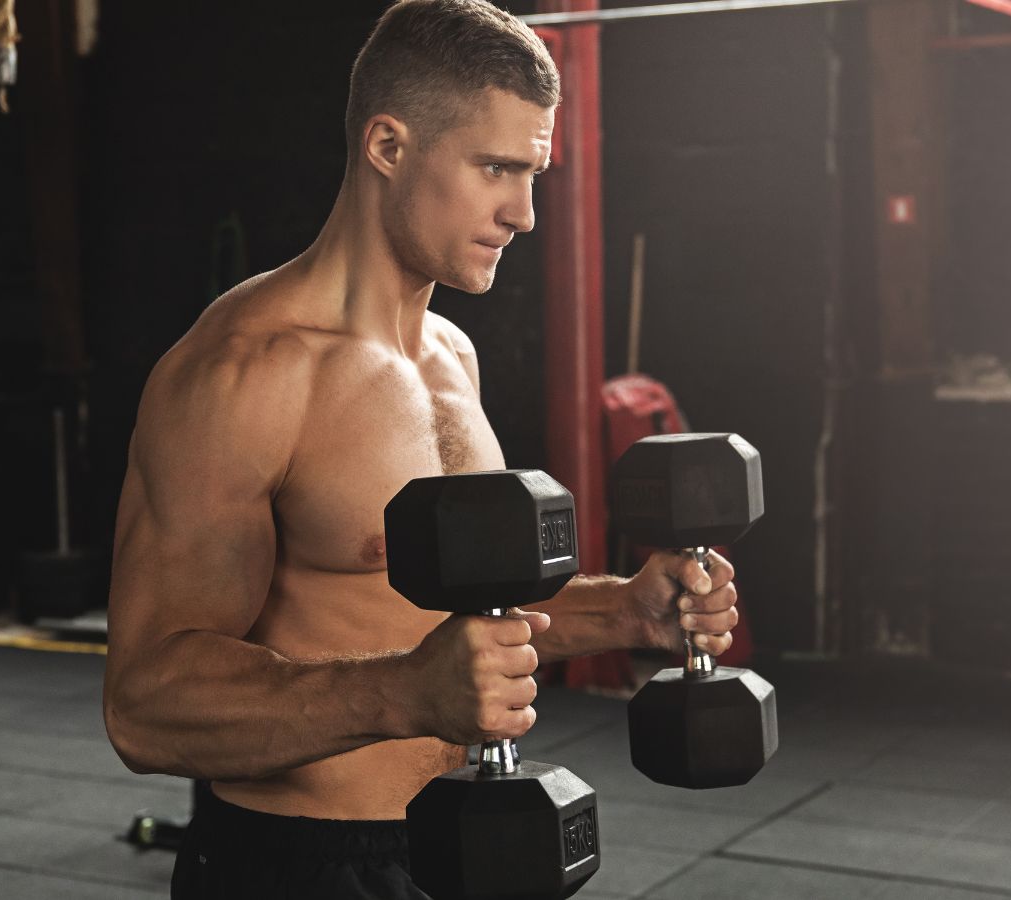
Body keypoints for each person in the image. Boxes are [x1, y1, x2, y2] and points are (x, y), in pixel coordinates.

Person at [103, 1, 741, 896]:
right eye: (495, 169)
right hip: (299, 867)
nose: (522, 213)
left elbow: (444, 630)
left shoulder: (449, 355)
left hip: (464, 847)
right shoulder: (246, 372)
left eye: (533, 176)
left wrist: (629, 612)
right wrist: (403, 694)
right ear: (388, 146)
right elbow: (145, 703)